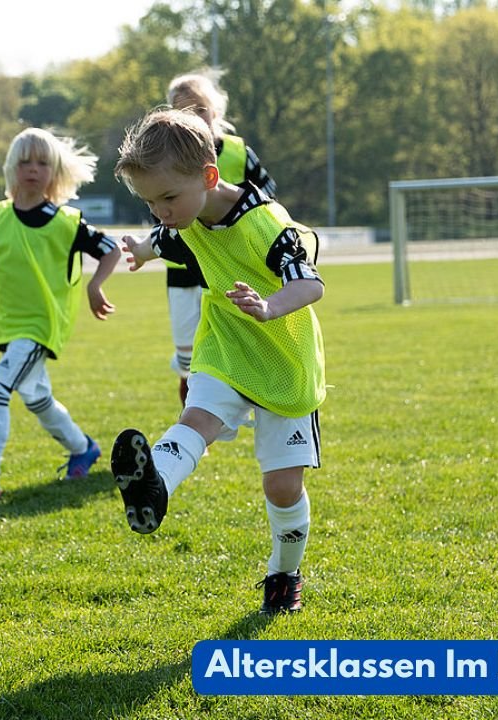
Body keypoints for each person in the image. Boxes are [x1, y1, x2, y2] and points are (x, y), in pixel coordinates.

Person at [113, 109, 324, 615]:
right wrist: (141, 251)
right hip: (225, 346)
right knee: (197, 420)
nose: (160, 211)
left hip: (283, 359)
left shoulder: (266, 224)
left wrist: (270, 306)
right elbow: (166, 237)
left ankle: (284, 573)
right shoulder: (185, 214)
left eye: (167, 198)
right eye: (149, 202)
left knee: (282, 485)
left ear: (209, 177)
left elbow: (311, 282)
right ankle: (154, 487)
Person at [0, 127, 122, 506]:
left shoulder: (67, 222)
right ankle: (83, 449)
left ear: (54, 171)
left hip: (41, 326)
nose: (33, 169)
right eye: (25, 162)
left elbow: (110, 249)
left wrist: (94, 286)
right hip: (10, 325)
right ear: (10, 168)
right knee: (38, 399)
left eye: (42, 163)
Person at [161, 71, 278, 410]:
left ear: (216, 112)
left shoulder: (239, 153)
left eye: (201, 110)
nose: (194, 118)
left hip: (234, 264)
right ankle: (193, 412)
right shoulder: (167, 160)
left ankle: (242, 406)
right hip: (184, 266)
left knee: (240, 339)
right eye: (183, 112)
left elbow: (268, 200)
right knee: (187, 353)